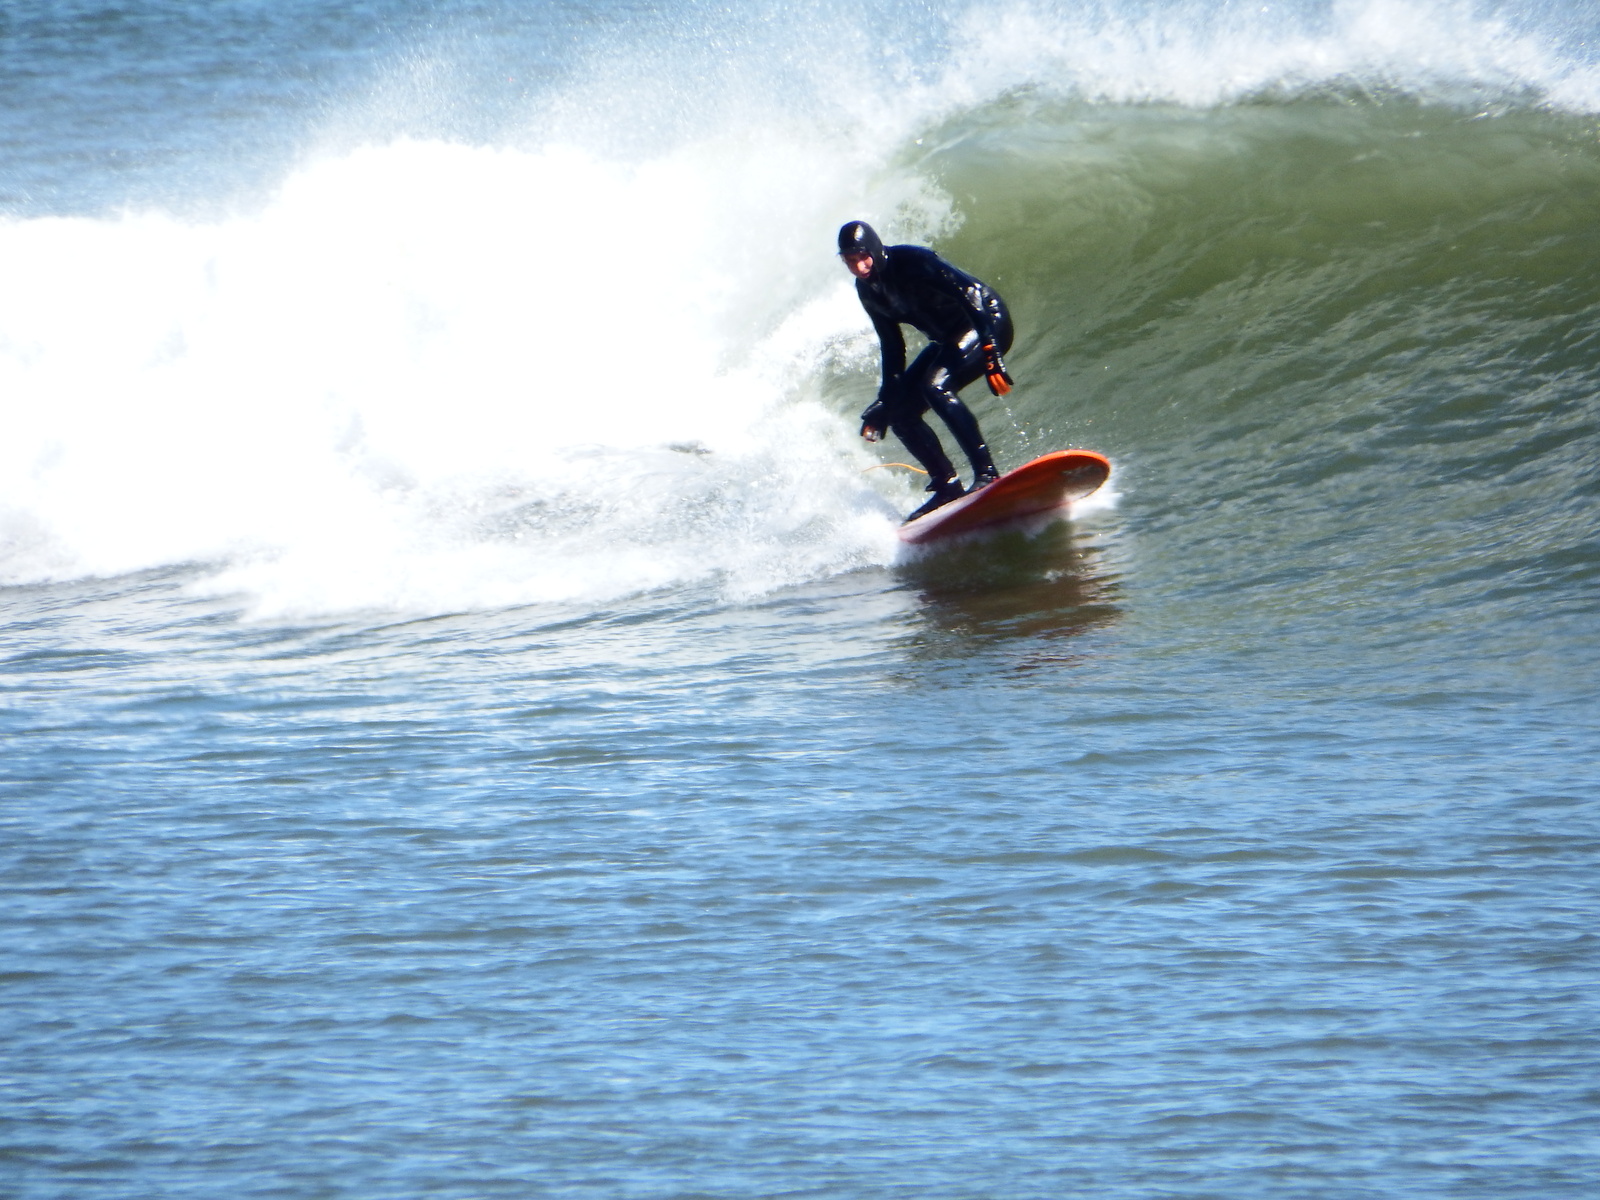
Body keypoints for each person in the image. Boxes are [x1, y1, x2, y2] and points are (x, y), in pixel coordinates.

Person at [839, 220, 1015, 520]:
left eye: (862, 256)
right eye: (850, 261)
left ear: (875, 249)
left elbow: (971, 292)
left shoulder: (915, 261)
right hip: (949, 338)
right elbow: (892, 345)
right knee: (899, 413)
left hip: (986, 322)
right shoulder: (868, 290)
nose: (859, 267)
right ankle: (947, 486)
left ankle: (987, 473)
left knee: (936, 386)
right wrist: (886, 399)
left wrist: (990, 348)